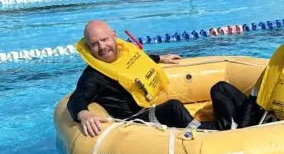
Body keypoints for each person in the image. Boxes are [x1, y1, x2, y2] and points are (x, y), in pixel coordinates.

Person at [68, 20, 199, 137]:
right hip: (133, 123)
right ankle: (204, 133)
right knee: (173, 107)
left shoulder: (124, 55)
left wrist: (160, 58)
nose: (102, 47)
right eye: (94, 44)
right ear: (89, 48)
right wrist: (83, 114)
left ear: (114, 36)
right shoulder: (93, 76)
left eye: (104, 40)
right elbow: (76, 98)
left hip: (147, 111)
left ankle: (206, 127)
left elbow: (138, 63)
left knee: (218, 90)